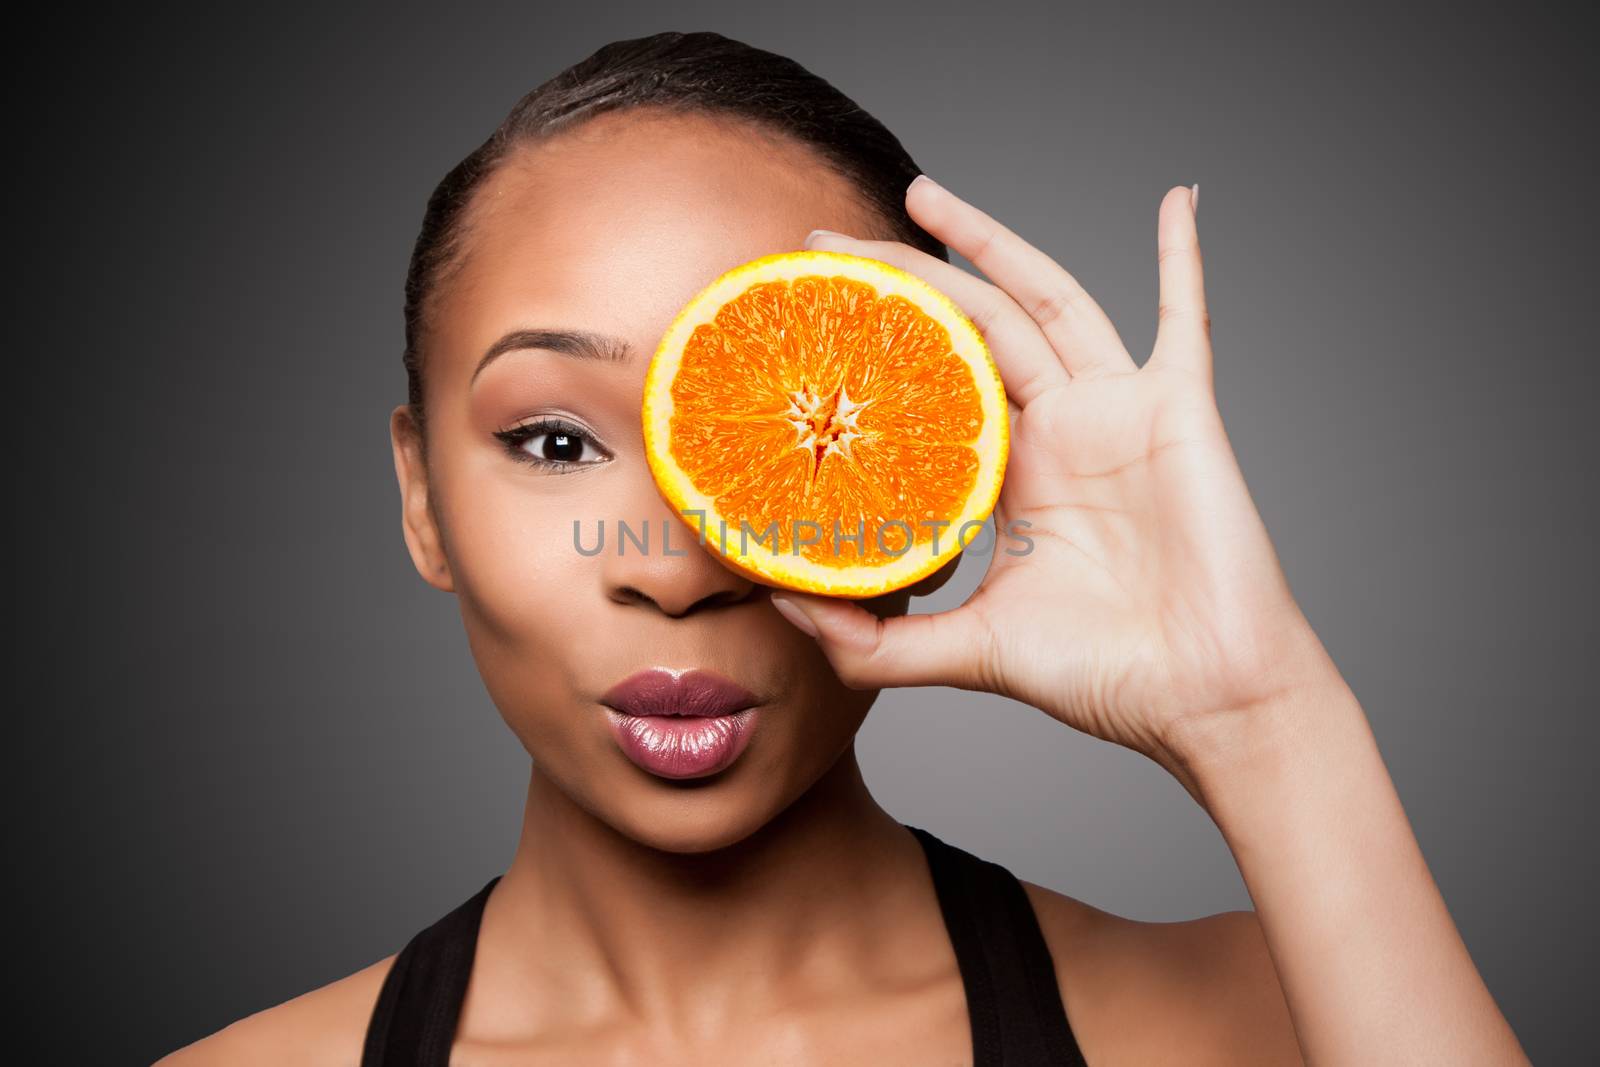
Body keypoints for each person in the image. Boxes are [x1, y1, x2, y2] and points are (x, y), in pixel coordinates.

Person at [157, 30, 1528, 1065]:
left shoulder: (1249, 1027)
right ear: (420, 499)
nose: (682, 567)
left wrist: (1263, 716)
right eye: (557, 443)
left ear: (942, 482)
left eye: (806, 436)